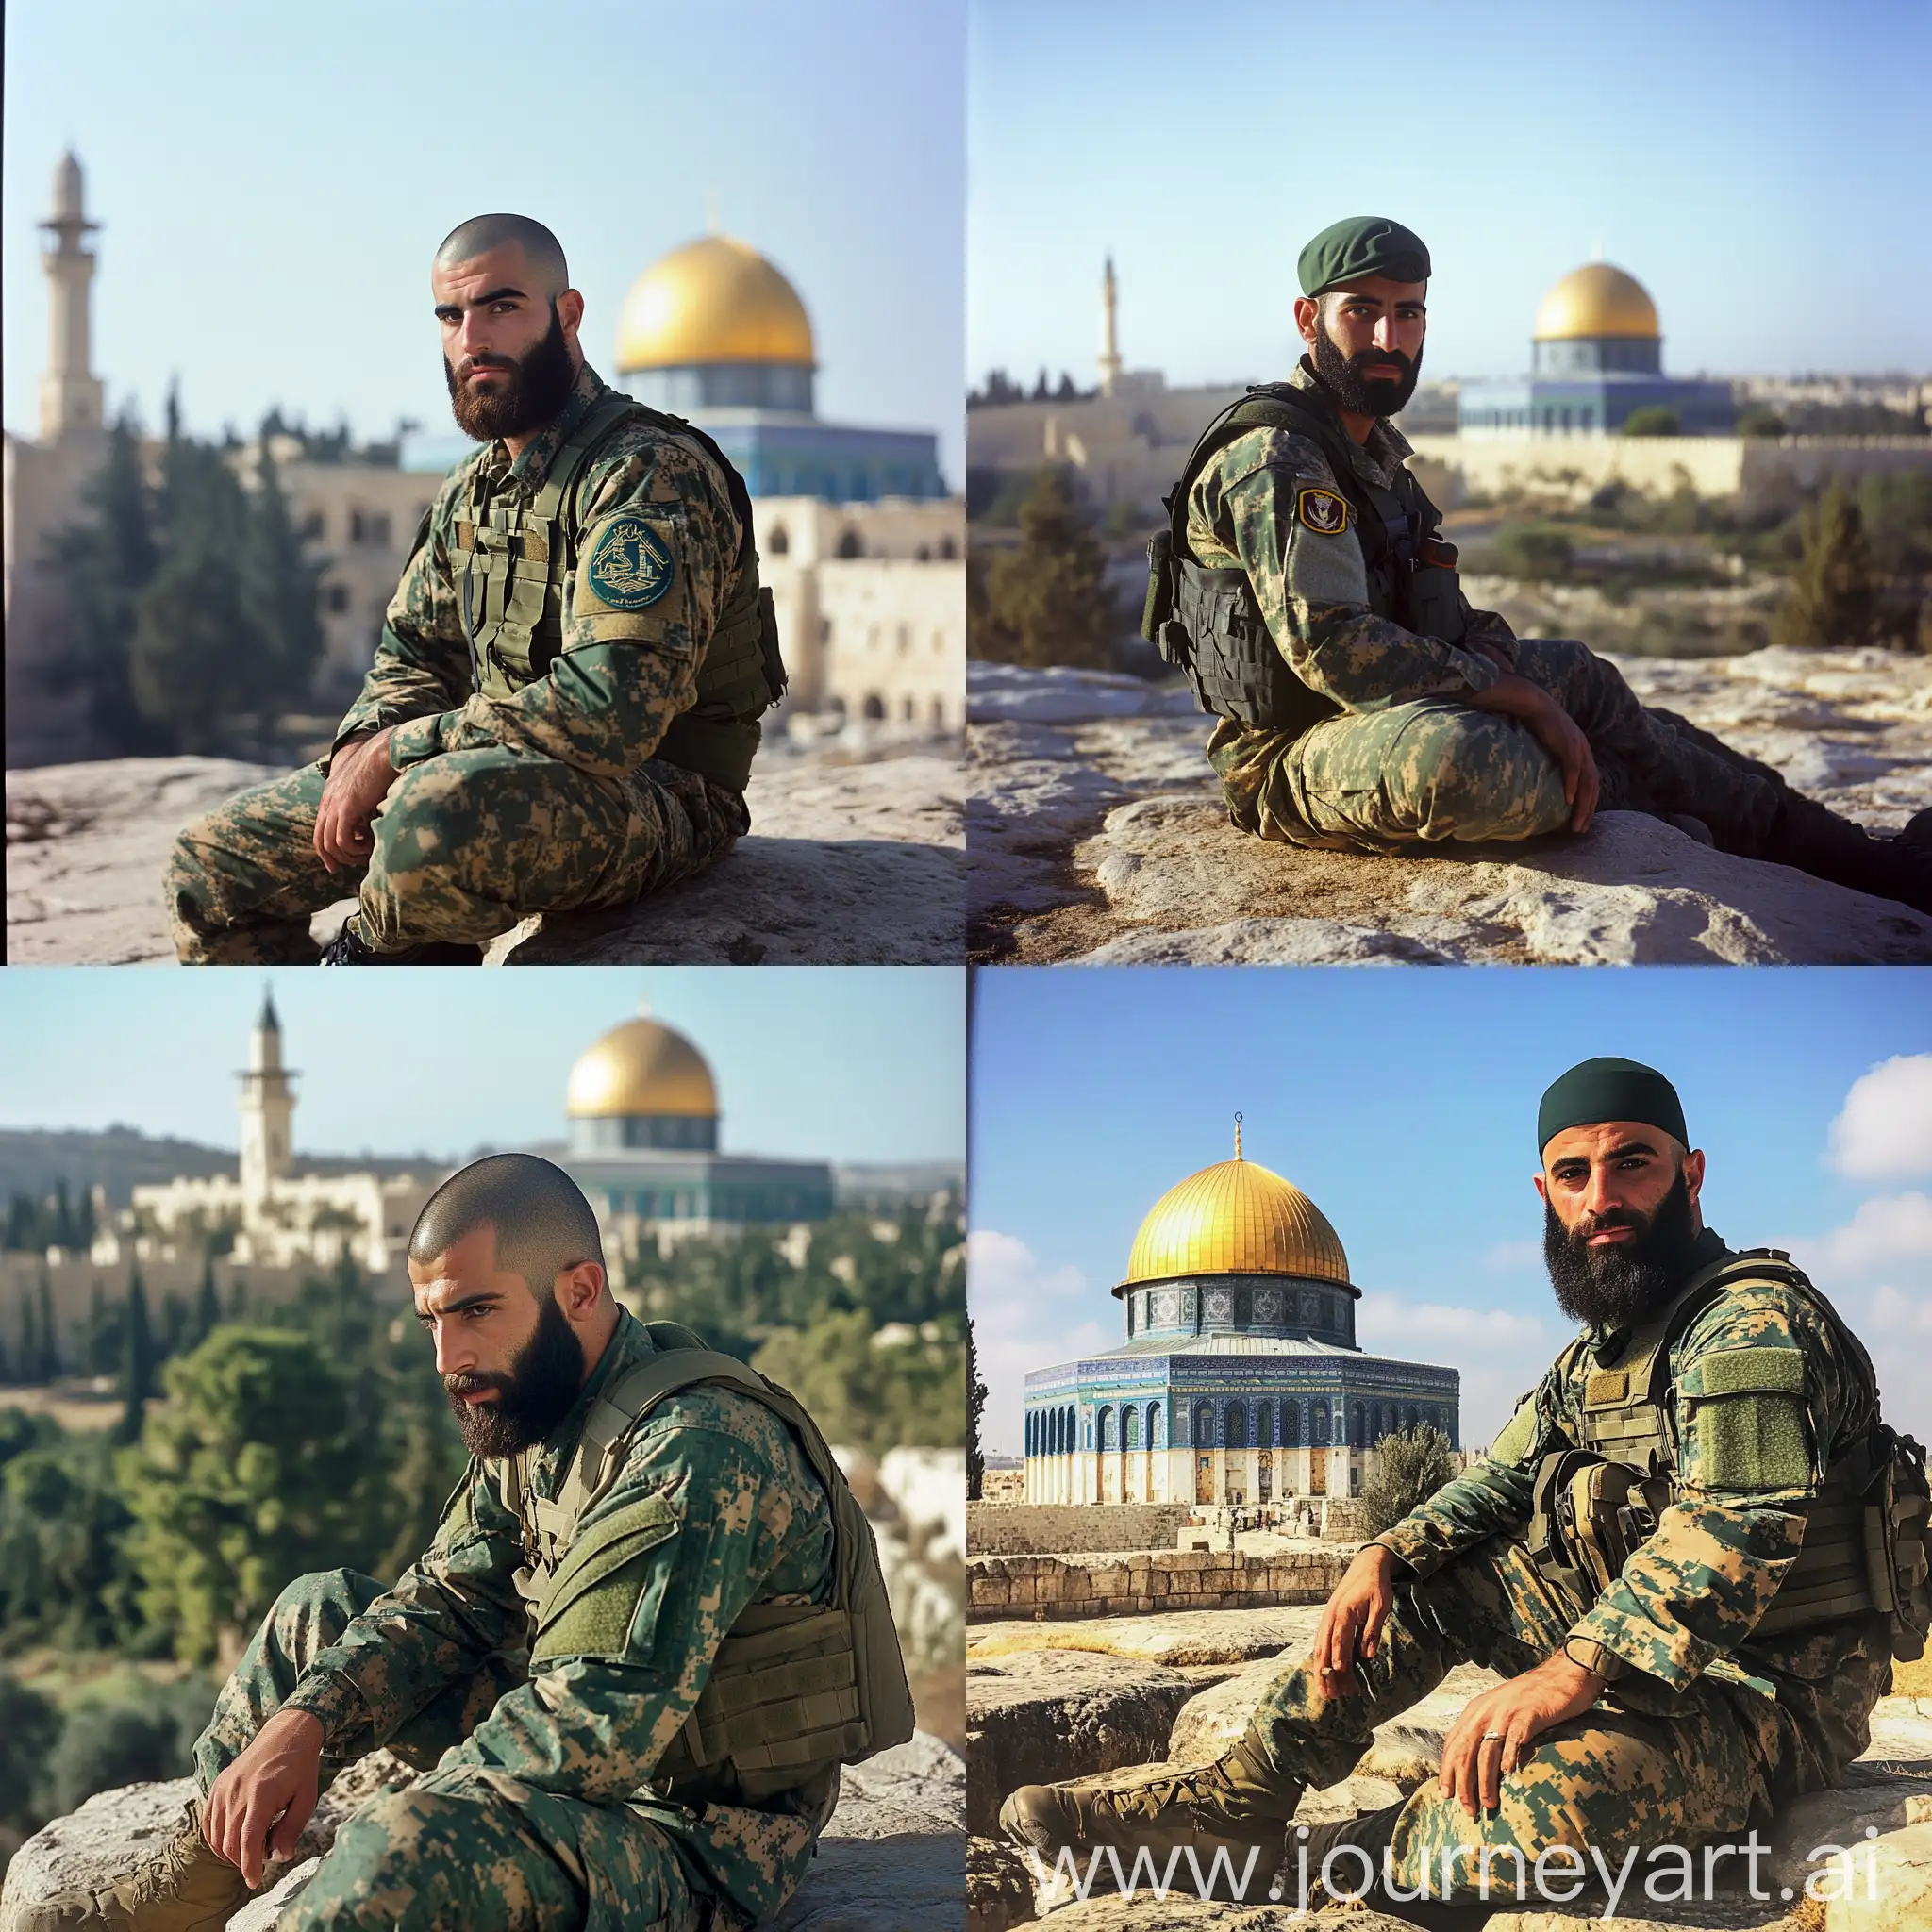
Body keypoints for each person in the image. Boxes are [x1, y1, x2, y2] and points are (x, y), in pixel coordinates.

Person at [1000, 1058, 1929, 1907]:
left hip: (1765, 1689)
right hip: (1638, 1652)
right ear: (1543, 1191)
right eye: (1572, 1174)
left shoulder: (1748, 1324)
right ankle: (1236, 1799)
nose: (1600, 1196)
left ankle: (1333, 1853)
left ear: (1688, 1173)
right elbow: (1497, 1480)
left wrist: (1565, 1671)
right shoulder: (1601, 1352)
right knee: (1420, 1586)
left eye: (1631, 1163)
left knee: (1529, 1806)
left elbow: (1732, 1528)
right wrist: (1385, 1550)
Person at [26, 1153, 910, 1931]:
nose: (448, 1357)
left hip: (694, 1836)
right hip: (585, 1759)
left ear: (581, 1291)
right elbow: (445, 1599)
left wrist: (393, 1819)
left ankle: (321, 1886)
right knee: (318, 1615)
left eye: (476, 1310)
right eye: (432, 1321)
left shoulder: (695, 1450)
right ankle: (219, 1871)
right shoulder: (545, 1406)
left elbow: (583, 1731)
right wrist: (306, 1721)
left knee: (401, 1850)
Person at [1142, 214, 1932, 916]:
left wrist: (1498, 659)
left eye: (1407, 313)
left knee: (1587, 679)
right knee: (1478, 763)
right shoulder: (1279, 459)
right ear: (1309, 319)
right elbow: (1335, 649)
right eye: (1363, 312)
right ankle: (1637, 801)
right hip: (1291, 753)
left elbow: (1436, 606)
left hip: (1385, 710)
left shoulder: (1370, 453)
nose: (1388, 339)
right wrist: (1509, 692)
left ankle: (1851, 855)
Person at [165, 213, 786, 965]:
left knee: (433, 822)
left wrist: (400, 751)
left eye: (501, 306)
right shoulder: (473, 489)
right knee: (208, 868)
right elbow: (414, 654)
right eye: (451, 316)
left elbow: (610, 717)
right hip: (484, 768)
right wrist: (365, 745)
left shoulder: (645, 474)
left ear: (568, 315)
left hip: (658, 792)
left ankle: (372, 958)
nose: (472, 339)